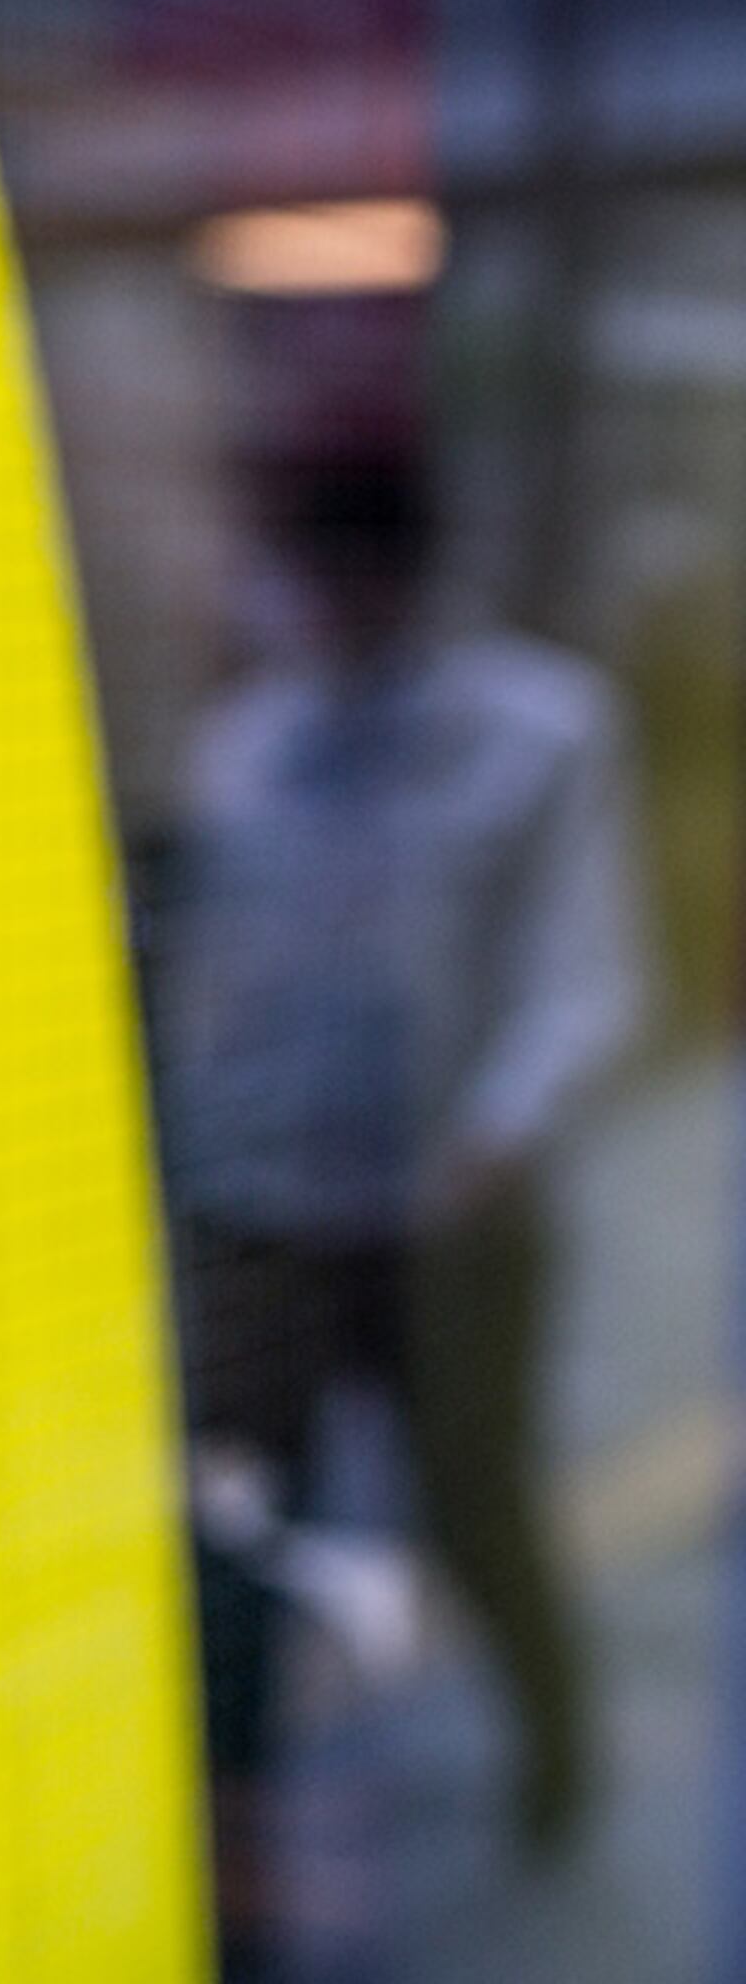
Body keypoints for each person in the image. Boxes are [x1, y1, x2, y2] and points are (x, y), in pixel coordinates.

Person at [166, 449, 648, 1882]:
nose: (327, 604)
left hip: (453, 1214)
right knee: (243, 1524)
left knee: (473, 1503)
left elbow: (588, 963)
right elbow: (216, 985)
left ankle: (559, 1758)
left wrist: (500, 1135)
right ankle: (233, 1832)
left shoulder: (538, 730)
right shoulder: (252, 742)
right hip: (266, 1208)